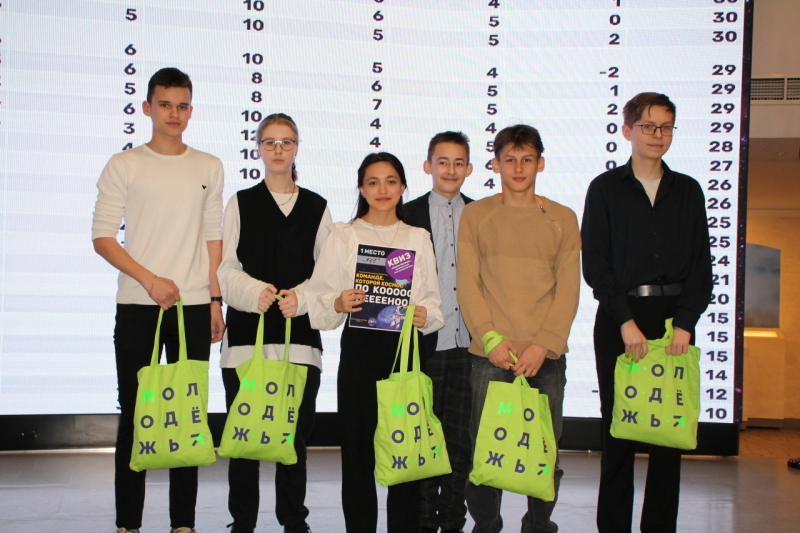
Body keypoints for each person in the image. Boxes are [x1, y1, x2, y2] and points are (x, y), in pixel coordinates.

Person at [92, 67, 225, 533]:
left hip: (193, 307)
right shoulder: (124, 164)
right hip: (138, 304)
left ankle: (183, 523)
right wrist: (149, 280)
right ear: (148, 107)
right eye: (165, 104)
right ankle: (127, 523)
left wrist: (215, 299)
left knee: (188, 414)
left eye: (182, 105)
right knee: (135, 413)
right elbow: (102, 238)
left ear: (191, 110)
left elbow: (213, 236)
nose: (174, 113)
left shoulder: (209, 166)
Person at [581, 92, 713, 533]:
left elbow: (701, 265)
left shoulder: (688, 190)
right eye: (648, 126)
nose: (658, 135)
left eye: (666, 127)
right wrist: (625, 321)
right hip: (619, 318)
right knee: (618, 431)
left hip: (675, 319)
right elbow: (595, 264)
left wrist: (686, 323)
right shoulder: (605, 188)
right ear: (628, 130)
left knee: (668, 437)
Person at [305, 152, 444, 533]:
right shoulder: (344, 235)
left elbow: (433, 303)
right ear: (362, 189)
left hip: (405, 354)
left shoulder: (418, 238)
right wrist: (339, 302)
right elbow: (319, 298)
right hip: (360, 354)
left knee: (407, 452)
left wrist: (425, 315)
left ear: (403, 187)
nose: (383, 189)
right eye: (373, 182)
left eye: (391, 181)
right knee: (357, 455)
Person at [459, 124, 581, 533]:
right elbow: (468, 282)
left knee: (544, 452)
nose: (518, 167)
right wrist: (489, 337)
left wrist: (543, 345)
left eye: (527, 159)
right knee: (484, 451)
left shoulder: (562, 218)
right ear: (495, 165)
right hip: (490, 355)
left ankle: (539, 526)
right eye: (509, 159)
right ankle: (487, 525)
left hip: (544, 358)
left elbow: (568, 290)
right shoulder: (476, 215)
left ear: (540, 164)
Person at [218, 113, 332, 533]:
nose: (278, 150)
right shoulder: (240, 203)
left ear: (297, 147)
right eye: (270, 142)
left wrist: (300, 298)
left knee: (294, 440)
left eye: (286, 142)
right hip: (245, 342)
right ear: (259, 148)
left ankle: (294, 520)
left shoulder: (317, 207)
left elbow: (329, 274)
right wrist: (254, 293)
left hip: (299, 342)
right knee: (243, 440)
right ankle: (242, 522)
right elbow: (226, 268)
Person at [404, 131, 474, 533]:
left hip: (470, 347)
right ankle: (421, 522)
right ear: (428, 166)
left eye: (458, 162)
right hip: (423, 346)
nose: (450, 169)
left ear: (469, 168)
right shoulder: (406, 214)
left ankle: (452, 521)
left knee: (461, 444)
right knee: (422, 440)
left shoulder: (482, 214)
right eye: (442, 161)